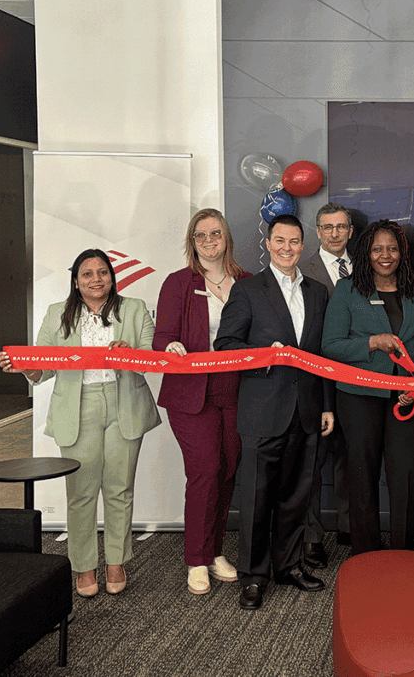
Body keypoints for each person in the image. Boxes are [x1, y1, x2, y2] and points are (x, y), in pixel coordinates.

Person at [0, 249, 160, 598]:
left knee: (119, 489)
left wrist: (129, 351)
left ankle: (116, 561)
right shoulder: (58, 314)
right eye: (87, 274)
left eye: (103, 272)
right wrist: (23, 366)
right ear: (76, 280)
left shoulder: (133, 308)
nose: (96, 279)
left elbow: (149, 358)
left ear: (112, 277)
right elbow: (42, 368)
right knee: (81, 494)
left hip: (124, 402)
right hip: (78, 407)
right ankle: (83, 566)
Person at [214, 214, 334, 611]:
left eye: (295, 241)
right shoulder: (248, 291)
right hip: (263, 410)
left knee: (296, 496)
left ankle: (289, 566)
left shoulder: (318, 292)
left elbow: (325, 357)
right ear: (268, 244)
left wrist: (327, 406)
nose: (287, 248)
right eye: (280, 240)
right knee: (256, 499)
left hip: (307, 410)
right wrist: (264, 358)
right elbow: (225, 345)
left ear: (304, 245)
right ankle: (253, 575)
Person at [322, 219, 414, 556]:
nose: (385, 255)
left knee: (406, 475)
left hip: (407, 398)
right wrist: (372, 342)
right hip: (359, 397)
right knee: (361, 476)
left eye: (392, 248)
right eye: (377, 249)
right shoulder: (347, 290)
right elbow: (330, 345)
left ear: (403, 252)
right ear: (365, 253)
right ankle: (366, 553)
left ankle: (403, 553)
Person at [153, 209, 249, 595]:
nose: (209, 241)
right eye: (200, 235)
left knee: (227, 471)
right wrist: (172, 346)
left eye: (215, 233)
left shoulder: (247, 282)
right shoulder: (179, 283)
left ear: (227, 237)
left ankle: (214, 552)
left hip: (237, 391)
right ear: (191, 242)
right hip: (191, 393)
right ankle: (195, 558)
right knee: (206, 470)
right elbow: (162, 337)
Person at [299, 202, 354, 560]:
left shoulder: (365, 270)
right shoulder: (300, 272)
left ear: (350, 231)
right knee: (312, 465)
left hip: (355, 380)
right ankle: (312, 537)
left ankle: (352, 529)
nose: (334, 233)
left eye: (341, 227)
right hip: (315, 382)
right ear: (317, 232)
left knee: (352, 460)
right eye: (327, 227)